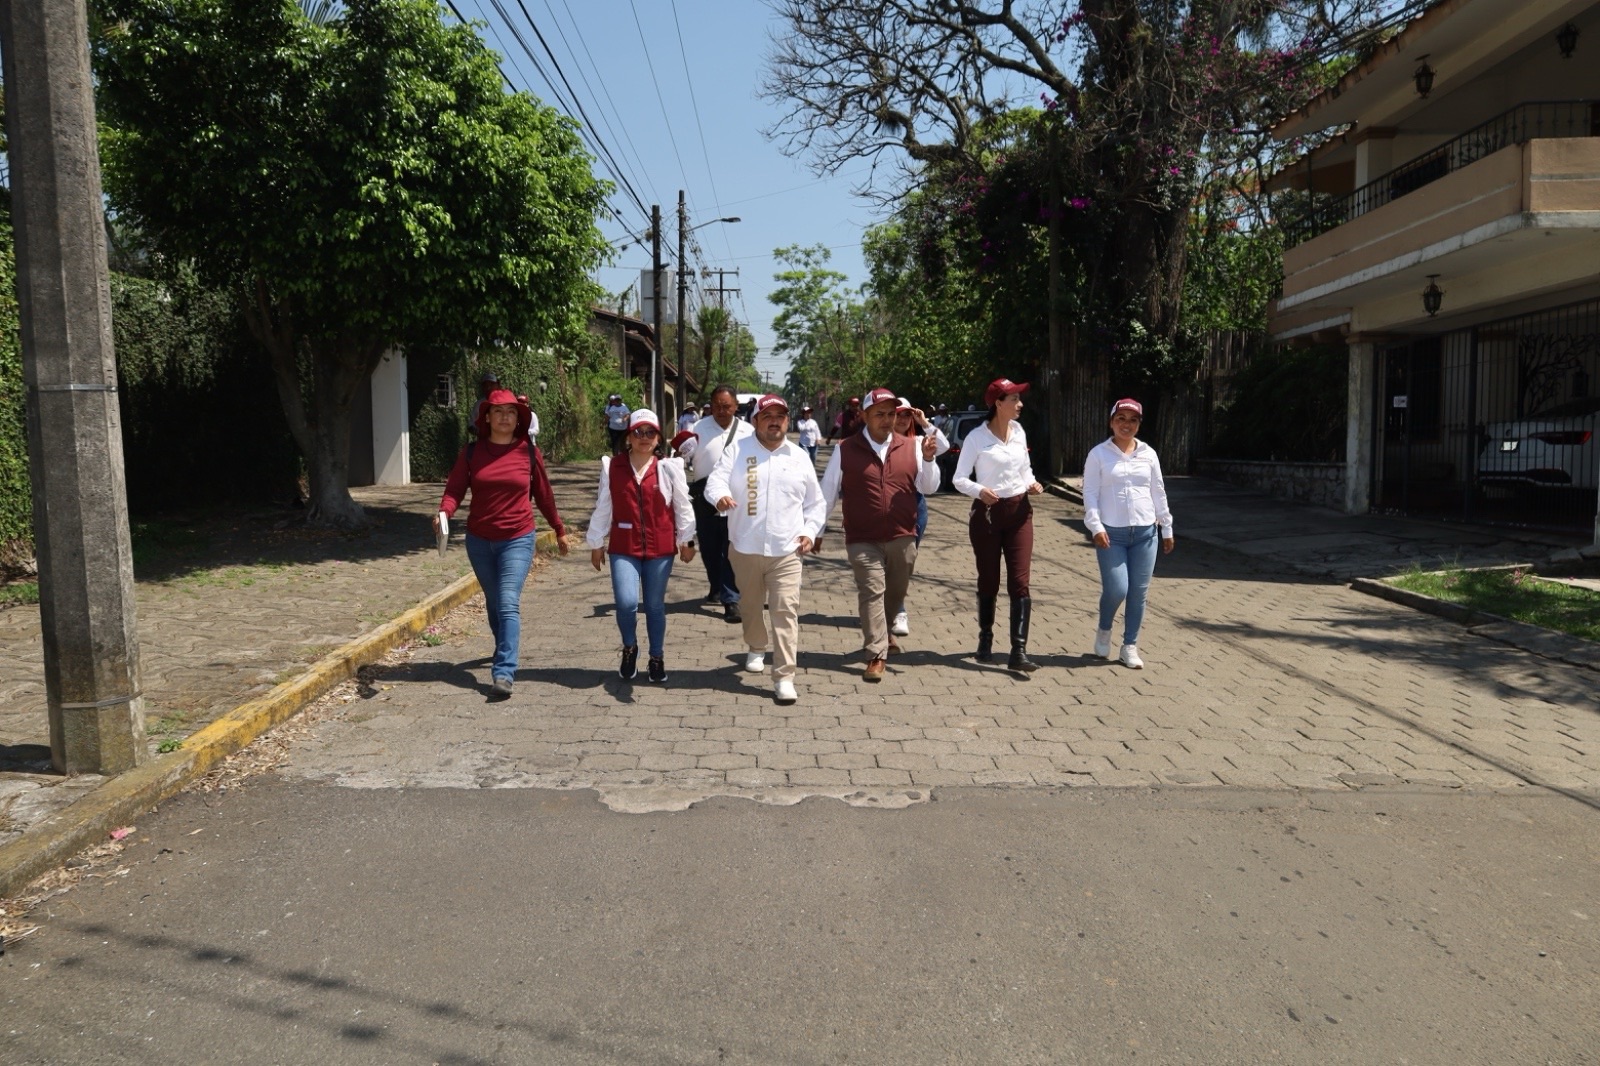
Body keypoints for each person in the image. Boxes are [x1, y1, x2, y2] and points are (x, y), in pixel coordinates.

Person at [436, 389, 570, 698]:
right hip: (479, 540)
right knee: (495, 602)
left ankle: (504, 672)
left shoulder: (528, 453)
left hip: (518, 538)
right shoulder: (471, 453)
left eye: (511, 412)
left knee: (508, 601)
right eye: (498, 412)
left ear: (519, 419)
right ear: (487, 418)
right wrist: (444, 511)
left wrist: (559, 529)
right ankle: (502, 646)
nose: (505, 417)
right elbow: (454, 489)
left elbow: (544, 495)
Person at [706, 394, 826, 705]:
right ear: (756, 421)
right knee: (750, 605)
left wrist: (810, 531)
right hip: (744, 547)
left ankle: (784, 675)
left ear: (788, 421)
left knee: (785, 610)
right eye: (767, 415)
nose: (775, 421)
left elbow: (816, 503)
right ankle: (756, 645)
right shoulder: (738, 449)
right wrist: (719, 496)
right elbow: (714, 482)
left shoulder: (799, 457)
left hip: (787, 550)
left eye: (781, 416)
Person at [819, 388, 941, 680]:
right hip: (862, 536)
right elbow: (827, 494)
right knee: (872, 590)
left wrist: (927, 460)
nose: (887, 420)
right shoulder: (845, 449)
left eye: (891, 414)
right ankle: (876, 653)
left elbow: (930, 487)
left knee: (895, 592)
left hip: (902, 535)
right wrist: (816, 530)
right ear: (864, 416)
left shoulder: (911, 446)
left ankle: (884, 633)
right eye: (879, 414)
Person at [586, 409, 697, 684]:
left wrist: (687, 540)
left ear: (658, 438)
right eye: (638, 432)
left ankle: (656, 656)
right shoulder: (613, 467)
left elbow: (683, 506)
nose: (644, 438)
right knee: (625, 603)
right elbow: (604, 506)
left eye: (650, 432)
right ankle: (630, 647)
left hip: (660, 548)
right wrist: (596, 542)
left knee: (655, 606)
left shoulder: (669, 468)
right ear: (629, 437)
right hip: (624, 546)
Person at [952, 377, 1044, 675]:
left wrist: (1031, 483)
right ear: (997, 403)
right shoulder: (976, 439)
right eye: (1014, 399)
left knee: (1020, 581)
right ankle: (985, 639)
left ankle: (1018, 651)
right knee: (988, 579)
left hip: (1019, 512)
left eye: (1020, 398)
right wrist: (980, 491)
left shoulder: (1018, 431)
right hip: (988, 515)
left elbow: (1025, 467)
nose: (1020, 404)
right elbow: (959, 478)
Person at [1082, 398, 1175, 670]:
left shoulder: (1148, 454)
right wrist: (1096, 526)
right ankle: (1103, 628)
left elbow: (1158, 491)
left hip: (1147, 533)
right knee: (1117, 588)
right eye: (1121, 418)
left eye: (1132, 420)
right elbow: (1089, 493)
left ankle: (1129, 646)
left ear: (1139, 424)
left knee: (1138, 592)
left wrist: (1166, 527)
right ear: (1111, 422)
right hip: (1111, 535)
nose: (1126, 424)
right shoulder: (1098, 454)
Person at [687, 385, 754, 622]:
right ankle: (716, 586)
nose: (721, 410)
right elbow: (682, 457)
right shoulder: (697, 429)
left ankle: (731, 599)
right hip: (704, 496)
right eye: (716, 406)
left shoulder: (748, 431)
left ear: (736, 406)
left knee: (730, 549)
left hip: (735, 498)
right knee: (709, 547)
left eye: (726, 406)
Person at [886, 397, 949, 638]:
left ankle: (897, 606)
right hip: (886, 506)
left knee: (905, 561)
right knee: (885, 560)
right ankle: (892, 608)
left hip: (915, 505)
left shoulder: (919, 441)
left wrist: (925, 422)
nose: (902, 419)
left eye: (906, 415)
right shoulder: (880, 442)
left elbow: (942, 445)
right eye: (897, 414)